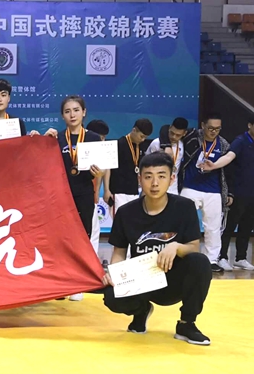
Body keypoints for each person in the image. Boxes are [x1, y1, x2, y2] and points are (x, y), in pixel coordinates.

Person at [102, 152, 212, 346]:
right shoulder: (126, 212)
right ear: (139, 179)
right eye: (148, 177)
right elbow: (119, 252)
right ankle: (141, 311)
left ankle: (186, 324)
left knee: (200, 262)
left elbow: (194, 247)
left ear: (172, 179)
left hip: (174, 279)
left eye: (161, 176)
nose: (154, 183)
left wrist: (176, 247)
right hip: (142, 278)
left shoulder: (185, 207)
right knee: (111, 295)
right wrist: (114, 274)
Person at [160, 113, 233, 272]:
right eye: (210, 128)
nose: (214, 132)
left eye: (217, 129)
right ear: (203, 125)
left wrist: (230, 192)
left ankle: (211, 260)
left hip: (214, 190)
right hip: (190, 187)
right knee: (181, 222)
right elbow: (166, 129)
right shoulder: (192, 135)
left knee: (213, 227)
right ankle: (179, 256)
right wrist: (166, 145)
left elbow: (229, 169)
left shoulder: (223, 144)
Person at [56, 96, 104, 301]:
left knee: (83, 237)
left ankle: (78, 283)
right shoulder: (57, 138)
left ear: (84, 112)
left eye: (76, 110)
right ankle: (61, 283)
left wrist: (99, 173)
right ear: (62, 116)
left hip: (84, 192)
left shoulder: (93, 138)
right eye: (67, 111)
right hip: (61, 194)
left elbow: (102, 168)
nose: (72, 115)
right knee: (62, 237)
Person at [198, 117, 254, 270]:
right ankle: (222, 256)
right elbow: (229, 157)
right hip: (238, 191)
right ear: (250, 125)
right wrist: (214, 165)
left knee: (247, 226)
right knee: (229, 225)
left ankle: (241, 258)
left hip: (252, 193)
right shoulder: (240, 141)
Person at [104, 119, 154, 214]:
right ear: (134, 130)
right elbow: (108, 168)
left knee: (132, 221)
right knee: (119, 221)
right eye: (141, 136)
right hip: (118, 192)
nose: (143, 140)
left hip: (134, 192)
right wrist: (107, 190)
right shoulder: (119, 144)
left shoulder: (141, 146)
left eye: (145, 137)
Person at [86, 119, 110, 260]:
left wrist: (102, 190)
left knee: (95, 231)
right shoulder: (84, 150)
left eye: (104, 138)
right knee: (90, 230)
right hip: (82, 196)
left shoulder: (101, 151)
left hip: (92, 196)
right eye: (101, 137)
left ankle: (92, 260)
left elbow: (103, 172)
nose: (103, 141)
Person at [147, 118, 188, 195]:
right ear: (169, 128)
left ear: (184, 133)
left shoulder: (183, 145)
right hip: (156, 185)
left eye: (178, 135)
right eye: (172, 133)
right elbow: (146, 163)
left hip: (173, 188)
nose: (174, 137)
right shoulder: (156, 143)